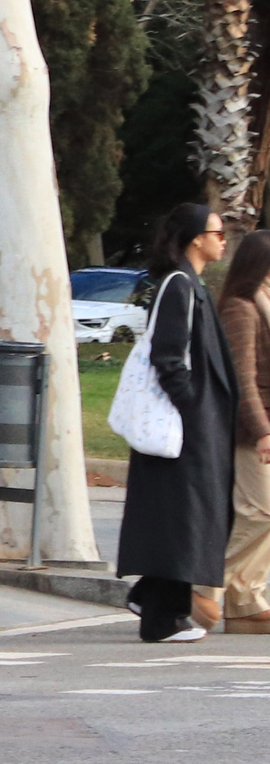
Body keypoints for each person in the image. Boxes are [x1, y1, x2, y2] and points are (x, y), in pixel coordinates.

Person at [117, 204, 233, 642]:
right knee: (178, 515)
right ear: (194, 238)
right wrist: (194, 408)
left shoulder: (190, 284)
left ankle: (157, 601)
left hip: (192, 423)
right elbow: (169, 358)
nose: (223, 240)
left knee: (184, 515)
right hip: (181, 424)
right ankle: (160, 617)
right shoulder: (179, 286)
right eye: (217, 233)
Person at [219, 230, 270, 632]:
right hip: (253, 429)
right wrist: (261, 430)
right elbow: (243, 379)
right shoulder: (241, 308)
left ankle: (244, 600)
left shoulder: (265, 304)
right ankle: (200, 581)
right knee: (261, 510)